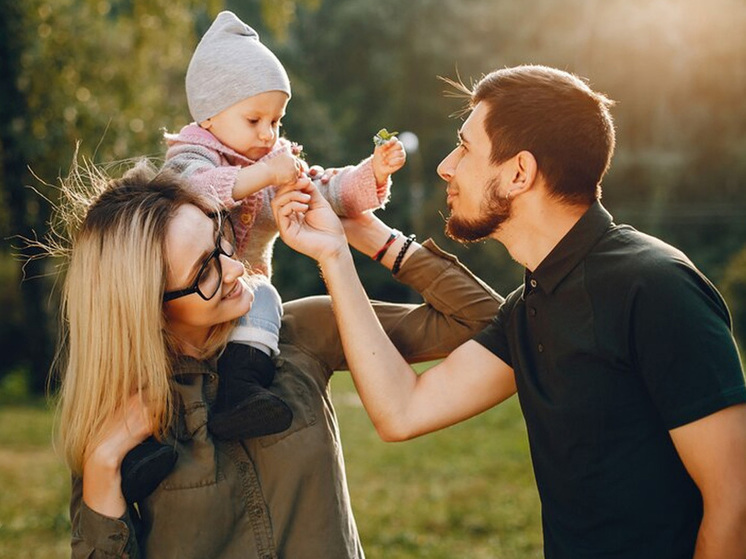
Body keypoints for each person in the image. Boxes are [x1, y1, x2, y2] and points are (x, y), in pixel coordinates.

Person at [272, 64, 746, 559]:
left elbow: (736, 503)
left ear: (519, 172)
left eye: (465, 147)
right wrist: (339, 249)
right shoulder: (532, 307)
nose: (446, 166)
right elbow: (401, 411)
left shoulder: (655, 286)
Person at [48, 159, 501, 557]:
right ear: (147, 305)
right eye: (204, 270)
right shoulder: (116, 425)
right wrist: (103, 468)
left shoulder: (297, 333)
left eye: (220, 241)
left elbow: (484, 322)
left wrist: (359, 237)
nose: (233, 268)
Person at [122, 9, 407, 501]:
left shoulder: (270, 162)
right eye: (253, 119)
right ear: (209, 116)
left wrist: (371, 173)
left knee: (264, 295)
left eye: (276, 120)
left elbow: (329, 192)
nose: (267, 134)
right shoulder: (192, 156)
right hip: (180, 303)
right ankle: (142, 450)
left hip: (236, 298)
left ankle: (244, 391)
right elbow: (193, 189)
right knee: (154, 374)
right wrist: (266, 176)